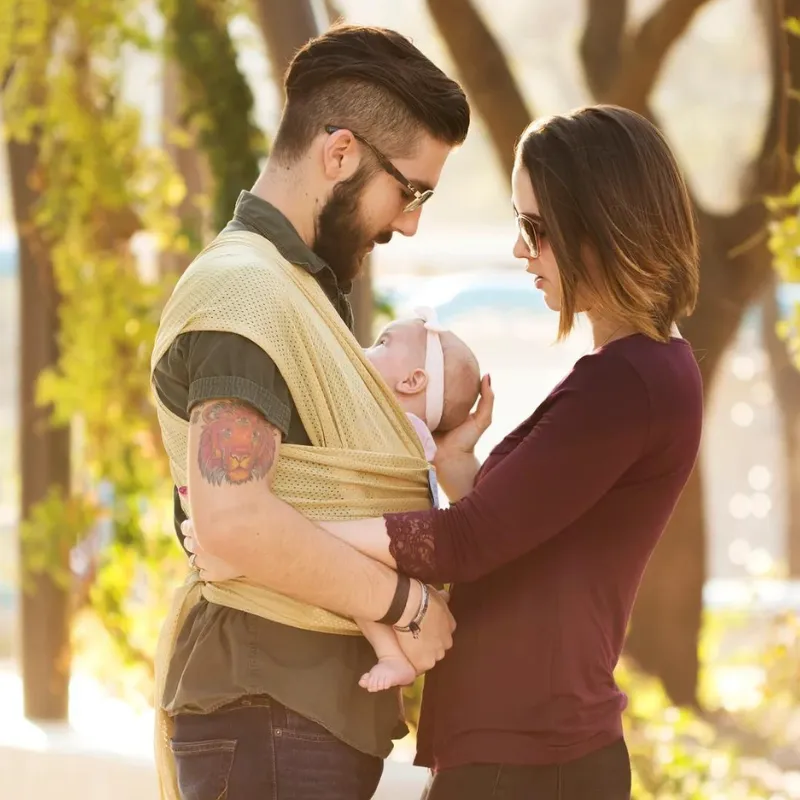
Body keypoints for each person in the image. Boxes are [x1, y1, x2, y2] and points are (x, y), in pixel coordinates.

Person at [185, 105, 703, 800]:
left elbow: (465, 544)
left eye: (537, 229)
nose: (523, 252)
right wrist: (463, 472)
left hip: (531, 761)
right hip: (525, 753)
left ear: (604, 223)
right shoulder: (642, 374)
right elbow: (534, 538)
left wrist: (267, 536)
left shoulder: (629, 382)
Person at [150, 23, 470, 800]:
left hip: (292, 715)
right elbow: (235, 521)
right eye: (411, 190)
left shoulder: (293, 294)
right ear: (339, 153)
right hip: (269, 707)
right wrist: (406, 601)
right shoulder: (248, 295)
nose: (410, 223)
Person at [343, 309, 481, 691]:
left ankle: (390, 655)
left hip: (380, 539)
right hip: (397, 542)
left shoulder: (392, 425)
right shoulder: (417, 436)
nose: (367, 350)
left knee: (351, 579)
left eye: (382, 344)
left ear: (412, 380)